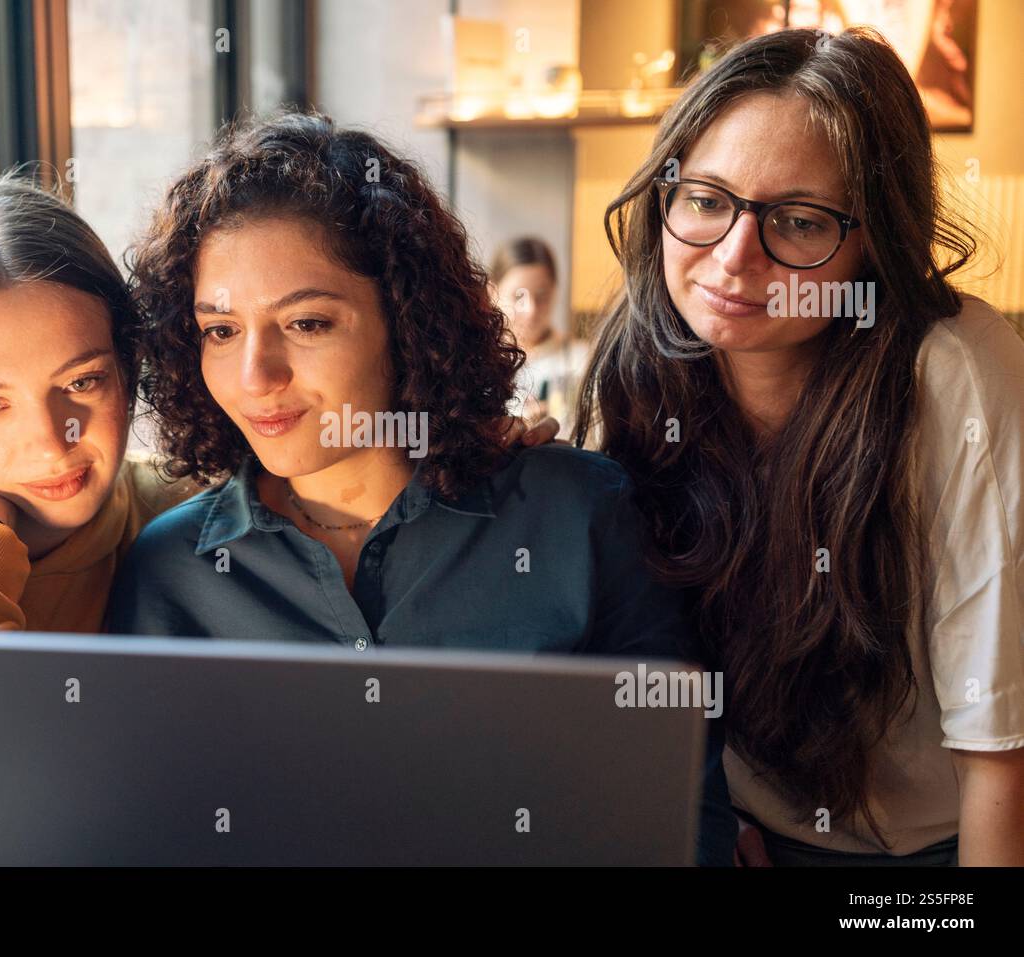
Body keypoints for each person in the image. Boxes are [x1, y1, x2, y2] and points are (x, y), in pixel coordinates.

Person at [0, 174, 558, 867]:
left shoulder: (173, 520)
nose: (53, 441)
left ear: (134, 372)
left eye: (82, 383)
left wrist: (452, 435)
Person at [108, 112, 737, 865]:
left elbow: (679, 814)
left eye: (307, 323)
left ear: (406, 322)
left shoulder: (579, 515)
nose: (256, 377)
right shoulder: (171, 570)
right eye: (220, 330)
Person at [575, 26, 1024, 865]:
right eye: (705, 199)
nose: (733, 259)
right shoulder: (643, 361)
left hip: (934, 851)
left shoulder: (955, 375)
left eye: (799, 220)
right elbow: (627, 650)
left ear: (874, 243)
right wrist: (704, 805)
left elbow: (1003, 752)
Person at [490, 236, 589, 437]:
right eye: (519, 296)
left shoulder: (582, 360)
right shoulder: (477, 363)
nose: (532, 309)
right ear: (492, 292)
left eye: (542, 296)